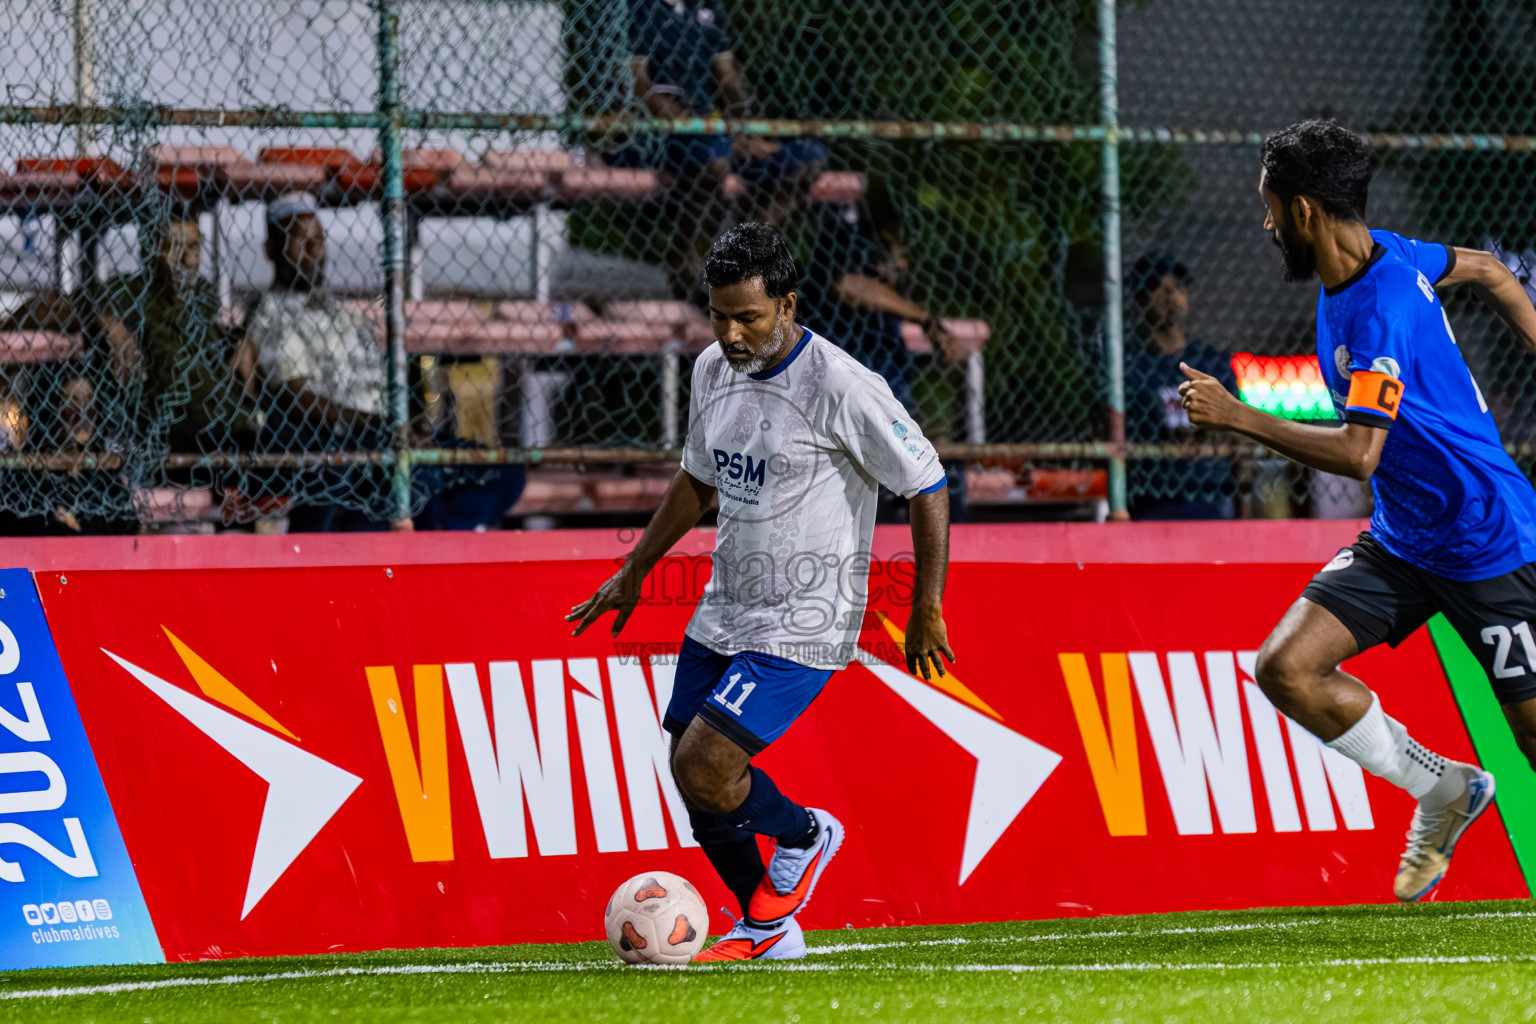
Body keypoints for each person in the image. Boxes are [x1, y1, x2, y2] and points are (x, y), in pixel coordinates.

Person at [566, 223, 954, 960]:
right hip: (725, 605)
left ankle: (807, 832)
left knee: (709, 764)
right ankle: (766, 927)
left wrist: (924, 605)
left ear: (787, 304)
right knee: (692, 770)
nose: (733, 333)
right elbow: (698, 480)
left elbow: (928, 482)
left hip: (806, 616)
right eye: (719, 314)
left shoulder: (841, 385)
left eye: (749, 316)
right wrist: (637, 569)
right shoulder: (713, 368)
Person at [1177, 119, 1536, 902]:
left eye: (1270, 208)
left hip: (1490, 540)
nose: (1266, 225)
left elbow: (1358, 454)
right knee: (1286, 669)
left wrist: (1239, 416)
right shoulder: (1395, 254)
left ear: (1303, 210)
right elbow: (1488, 270)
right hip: (1408, 538)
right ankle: (1444, 790)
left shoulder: (1377, 315)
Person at [246, 193, 522, 531]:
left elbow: (387, 382)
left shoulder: (342, 315)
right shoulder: (272, 316)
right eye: (299, 241)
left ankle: (440, 537)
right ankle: (432, 549)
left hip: (386, 436)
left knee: (506, 471)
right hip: (339, 443)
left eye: (318, 239)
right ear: (271, 250)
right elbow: (297, 396)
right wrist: (384, 427)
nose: (314, 251)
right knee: (415, 481)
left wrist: (413, 422)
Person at [616, 0, 825, 296]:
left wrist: (746, 129)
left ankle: (738, 253)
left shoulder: (708, 7)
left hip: (715, 133)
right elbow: (637, 80)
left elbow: (727, 76)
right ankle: (684, 254)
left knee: (810, 159)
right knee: (714, 159)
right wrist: (693, 124)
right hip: (661, 134)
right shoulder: (638, 8)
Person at [1123, 254, 1236, 519]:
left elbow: (1237, 427)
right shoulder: (1131, 368)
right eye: (1159, 289)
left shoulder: (1211, 362)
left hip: (1209, 492)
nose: (1170, 297)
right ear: (1140, 298)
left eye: (1178, 288)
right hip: (1153, 497)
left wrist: (1207, 438)